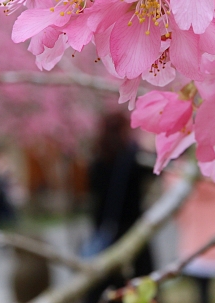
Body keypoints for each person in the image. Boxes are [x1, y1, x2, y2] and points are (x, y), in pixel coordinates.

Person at [83, 113, 152, 303]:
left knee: (107, 285)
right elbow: (155, 171)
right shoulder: (132, 157)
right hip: (133, 230)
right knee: (142, 284)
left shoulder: (96, 160)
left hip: (106, 230)